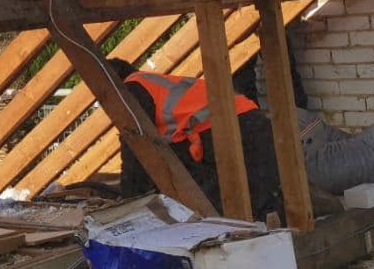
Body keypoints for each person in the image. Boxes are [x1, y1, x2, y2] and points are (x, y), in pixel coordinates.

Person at [109, 57, 284, 218]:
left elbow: (135, 147)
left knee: (234, 207)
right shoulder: (152, 85)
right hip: (248, 120)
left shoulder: (133, 88)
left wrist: (128, 204)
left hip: (234, 128)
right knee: (262, 199)